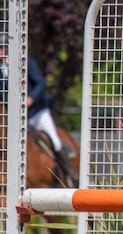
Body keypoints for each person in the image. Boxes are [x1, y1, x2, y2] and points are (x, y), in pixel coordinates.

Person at [0, 36, 74, 178]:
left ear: (6, 49)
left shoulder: (26, 62)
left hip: (37, 112)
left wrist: (31, 98)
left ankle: (69, 173)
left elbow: (41, 83)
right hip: (16, 117)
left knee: (55, 140)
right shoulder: (1, 70)